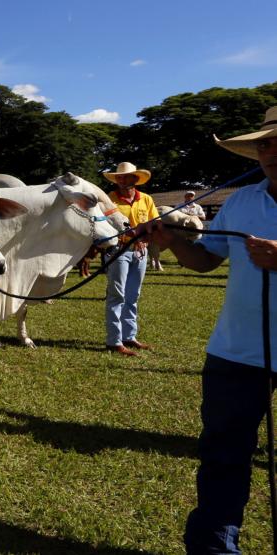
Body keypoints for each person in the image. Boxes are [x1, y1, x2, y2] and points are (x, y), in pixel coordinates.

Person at [140, 105, 277, 554]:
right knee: (223, 458)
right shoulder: (241, 201)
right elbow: (206, 261)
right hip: (235, 353)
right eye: (264, 144)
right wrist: (173, 242)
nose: (270, 152)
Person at [103, 161, 159, 356]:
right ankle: (114, 341)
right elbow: (105, 223)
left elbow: (154, 221)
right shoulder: (109, 199)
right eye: (119, 177)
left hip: (140, 252)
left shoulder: (146, 199)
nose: (121, 180)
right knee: (117, 295)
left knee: (133, 295)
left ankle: (129, 336)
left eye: (126, 176)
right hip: (118, 251)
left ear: (135, 179)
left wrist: (147, 237)